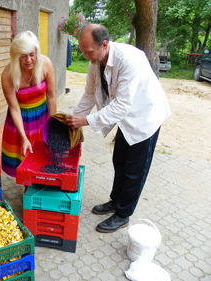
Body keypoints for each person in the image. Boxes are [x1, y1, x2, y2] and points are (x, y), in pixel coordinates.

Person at [65, 24, 171, 233]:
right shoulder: (96, 61)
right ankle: (115, 201)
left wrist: (85, 121)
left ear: (104, 45)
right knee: (119, 161)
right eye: (83, 51)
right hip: (125, 119)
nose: (86, 56)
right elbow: (88, 94)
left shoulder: (128, 59)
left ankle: (123, 214)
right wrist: (74, 118)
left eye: (89, 51)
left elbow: (122, 105)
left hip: (144, 118)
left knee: (135, 171)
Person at [1, 31, 57, 181]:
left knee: (44, 157)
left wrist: (53, 126)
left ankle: (42, 186)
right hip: (20, 120)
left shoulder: (46, 64)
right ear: (15, 56)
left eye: (32, 54)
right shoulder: (7, 75)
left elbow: (51, 96)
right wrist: (23, 137)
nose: (29, 60)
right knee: (25, 161)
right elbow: (14, 108)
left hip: (42, 117)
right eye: (23, 56)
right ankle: (28, 190)